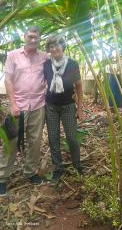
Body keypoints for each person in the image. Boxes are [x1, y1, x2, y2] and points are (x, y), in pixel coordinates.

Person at [0, 26, 48, 196]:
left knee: (34, 141)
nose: (33, 39)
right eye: (30, 36)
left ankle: (31, 172)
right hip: (17, 105)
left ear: (40, 39)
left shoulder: (45, 57)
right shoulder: (13, 55)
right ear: (25, 36)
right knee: (11, 141)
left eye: (36, 37)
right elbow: (8, 80)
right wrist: (13, 104)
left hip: (37, 104)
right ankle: (2, 177)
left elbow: (51, 76)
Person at [44, 34, 83, 182]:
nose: (54, 48)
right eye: (51, 46)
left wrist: (79, 109)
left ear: (62, 46)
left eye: (57, 45)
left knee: (72, 137)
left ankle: (77, 165)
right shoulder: (46, 65)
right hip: (51, 106)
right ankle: (58, 168)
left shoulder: (72, 64)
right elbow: (42, 84)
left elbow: (79, 87)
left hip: (68, 106)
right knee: (53, 138)